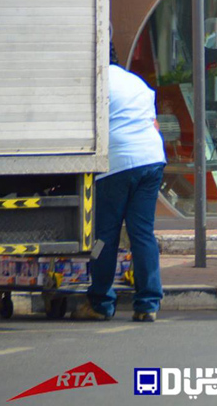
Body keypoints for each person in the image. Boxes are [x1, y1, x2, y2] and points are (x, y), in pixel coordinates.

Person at [75, 51, 167, 322]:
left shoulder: (97, 82)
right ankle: (148, 303)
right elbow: (154, 124)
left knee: (103, 238)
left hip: (115, 165)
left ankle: (100, 302)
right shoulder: (137, 82)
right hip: (151, 159)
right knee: (142, 234)